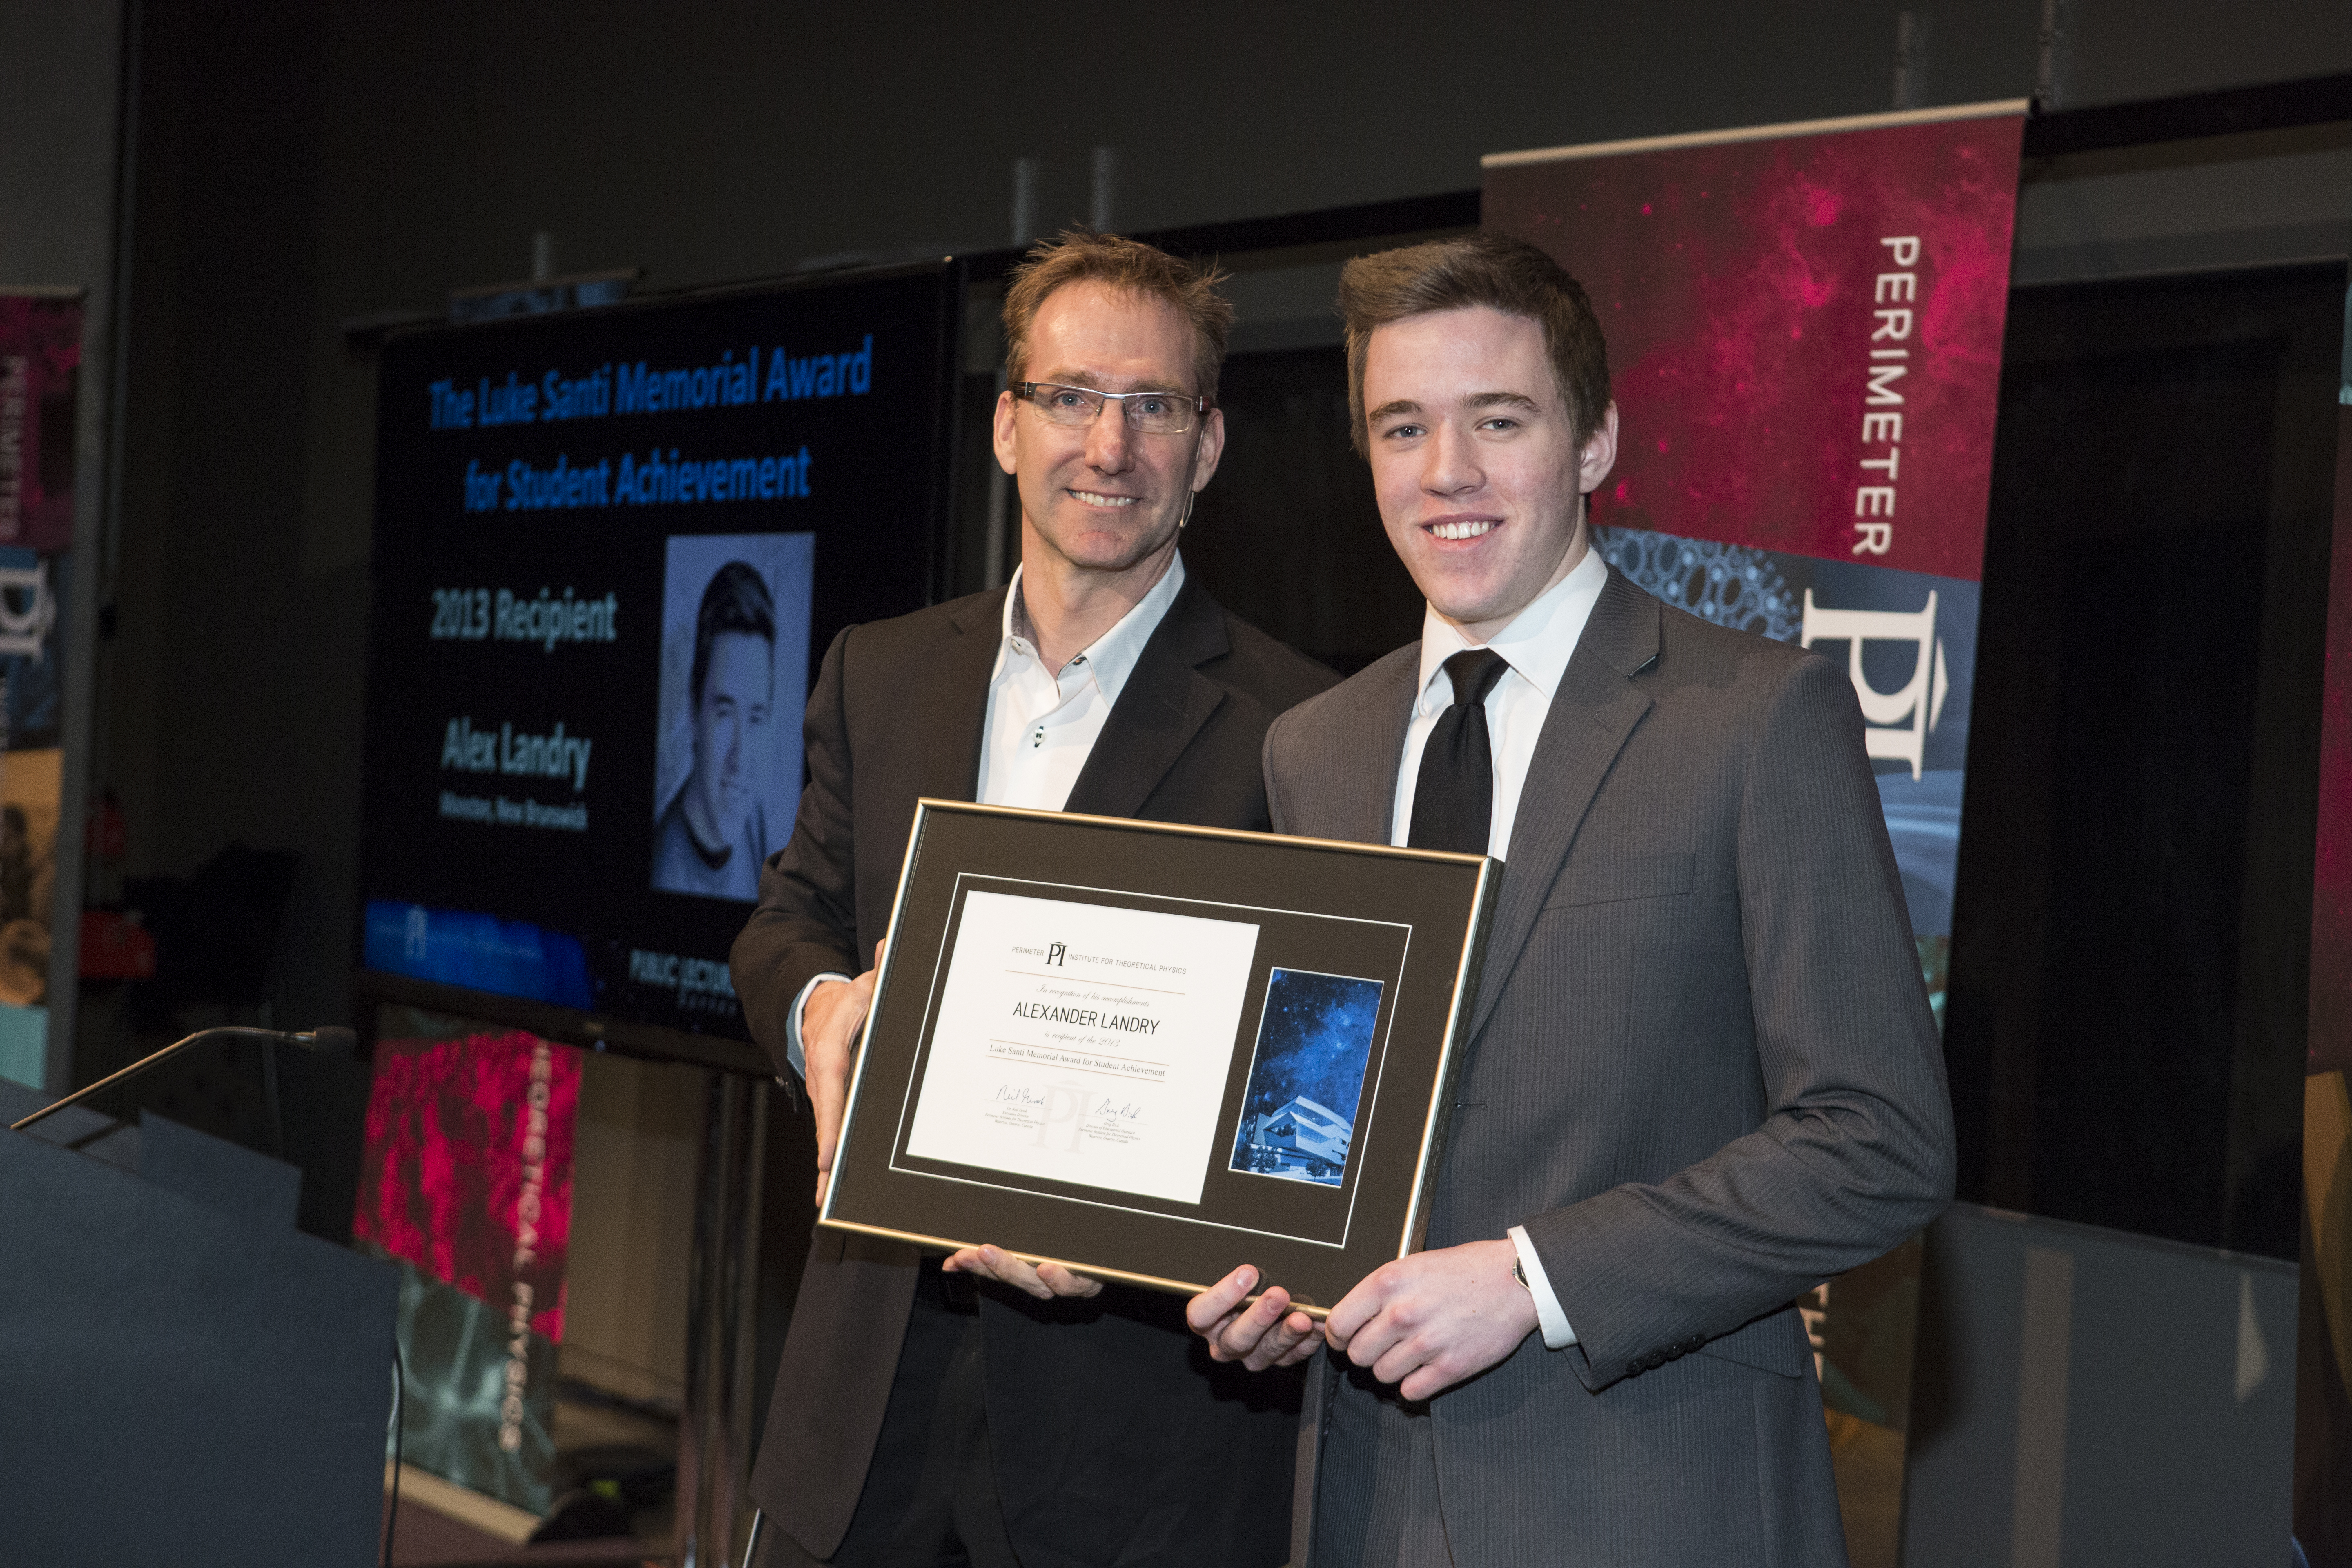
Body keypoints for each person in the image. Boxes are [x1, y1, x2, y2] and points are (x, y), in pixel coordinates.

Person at [1187, 232, 1955, 1566]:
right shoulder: (1314, 749)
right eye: (1402, 427)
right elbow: (1323, 1122)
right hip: (1364, 1503)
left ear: (1595, 441)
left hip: (1649, 1497)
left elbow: (1880, 1141)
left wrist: (1536, 1281)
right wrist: (1269, 1280)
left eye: (1499, 420)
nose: (1447, 475)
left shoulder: (1755, 719)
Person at [732, 229, 1335, 1568]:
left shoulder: (1305, 728)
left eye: (1152, 407)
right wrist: (821, 1009)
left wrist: (1161, 1229)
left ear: (1210, 445)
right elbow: (788, 923)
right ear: (1007, 426)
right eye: (1070, 398)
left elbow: (1311, 1088)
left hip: (1136, 1452)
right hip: (861, 1405)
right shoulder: (878, 674)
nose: (1107, 448)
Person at [653, 560, 776, 901]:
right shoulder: (665, 870)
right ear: (693, 712)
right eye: (724, 713)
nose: (740, 758)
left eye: (755, 718)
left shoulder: (754, 821)